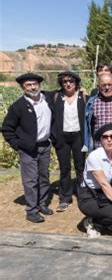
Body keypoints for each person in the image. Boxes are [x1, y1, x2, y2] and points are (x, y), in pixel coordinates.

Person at [2, 73, 54, 223]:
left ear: (39, 85)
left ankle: (42, 204)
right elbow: (7, 128)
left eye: (34, 84)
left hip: (44, 145)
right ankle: (31, 210)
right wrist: (17, 145)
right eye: (28, 85)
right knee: (30, 180)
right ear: (23, 87)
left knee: (44, 177)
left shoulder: (47, 99)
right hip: (28, 148)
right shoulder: (18, 106)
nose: (32, 87)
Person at [51, 71, 88, 212]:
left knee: (80, 167)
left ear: (76, 83)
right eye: (65, 81)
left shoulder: (83, 97)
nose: (68, 84)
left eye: (71, 81)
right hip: (62, 138)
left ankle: (83, 195)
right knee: (64, 168)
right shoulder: (55, 97)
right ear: (61, 83)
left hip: (78, 136)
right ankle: (65, 198)